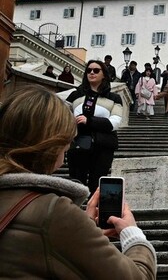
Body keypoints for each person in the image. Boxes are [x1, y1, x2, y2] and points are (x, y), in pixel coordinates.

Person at [0, 86, 157, 278]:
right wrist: (134, 236)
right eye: (68, 140)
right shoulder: (55, 213)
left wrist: (83, 228)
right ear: (53, 144)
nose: (69, 147)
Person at [65, 60, 125, 194]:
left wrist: (89, 121)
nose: (92, 72)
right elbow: (62, 116)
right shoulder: (75, 95)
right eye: (89, 70)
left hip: (103, 146)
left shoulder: (114, 98)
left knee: (97, 183)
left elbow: (115, 122)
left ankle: (95, 212)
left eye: (96, 70)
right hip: (78, 144)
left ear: (104, 74)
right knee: (76, 182)